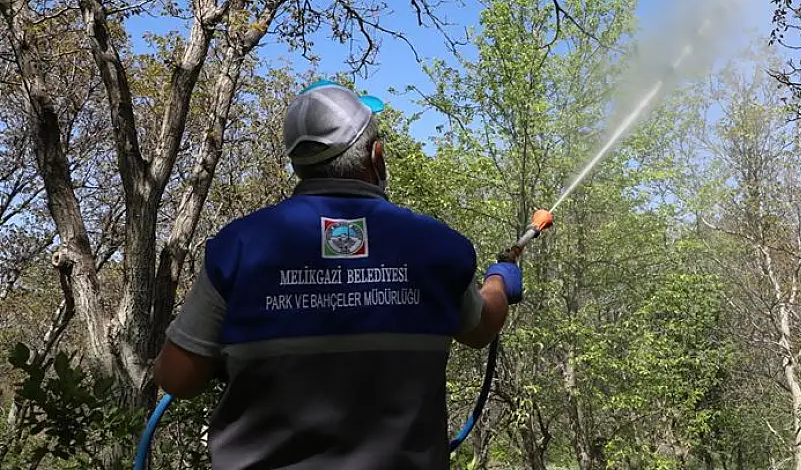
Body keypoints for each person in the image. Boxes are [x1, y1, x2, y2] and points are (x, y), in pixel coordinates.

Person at [152, 80, 524, 470]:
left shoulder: (239, 248)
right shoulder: (437, 247)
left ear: (298, 165)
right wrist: (500, 279)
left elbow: (176, 379)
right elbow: (481, 328)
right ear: (376, 156)